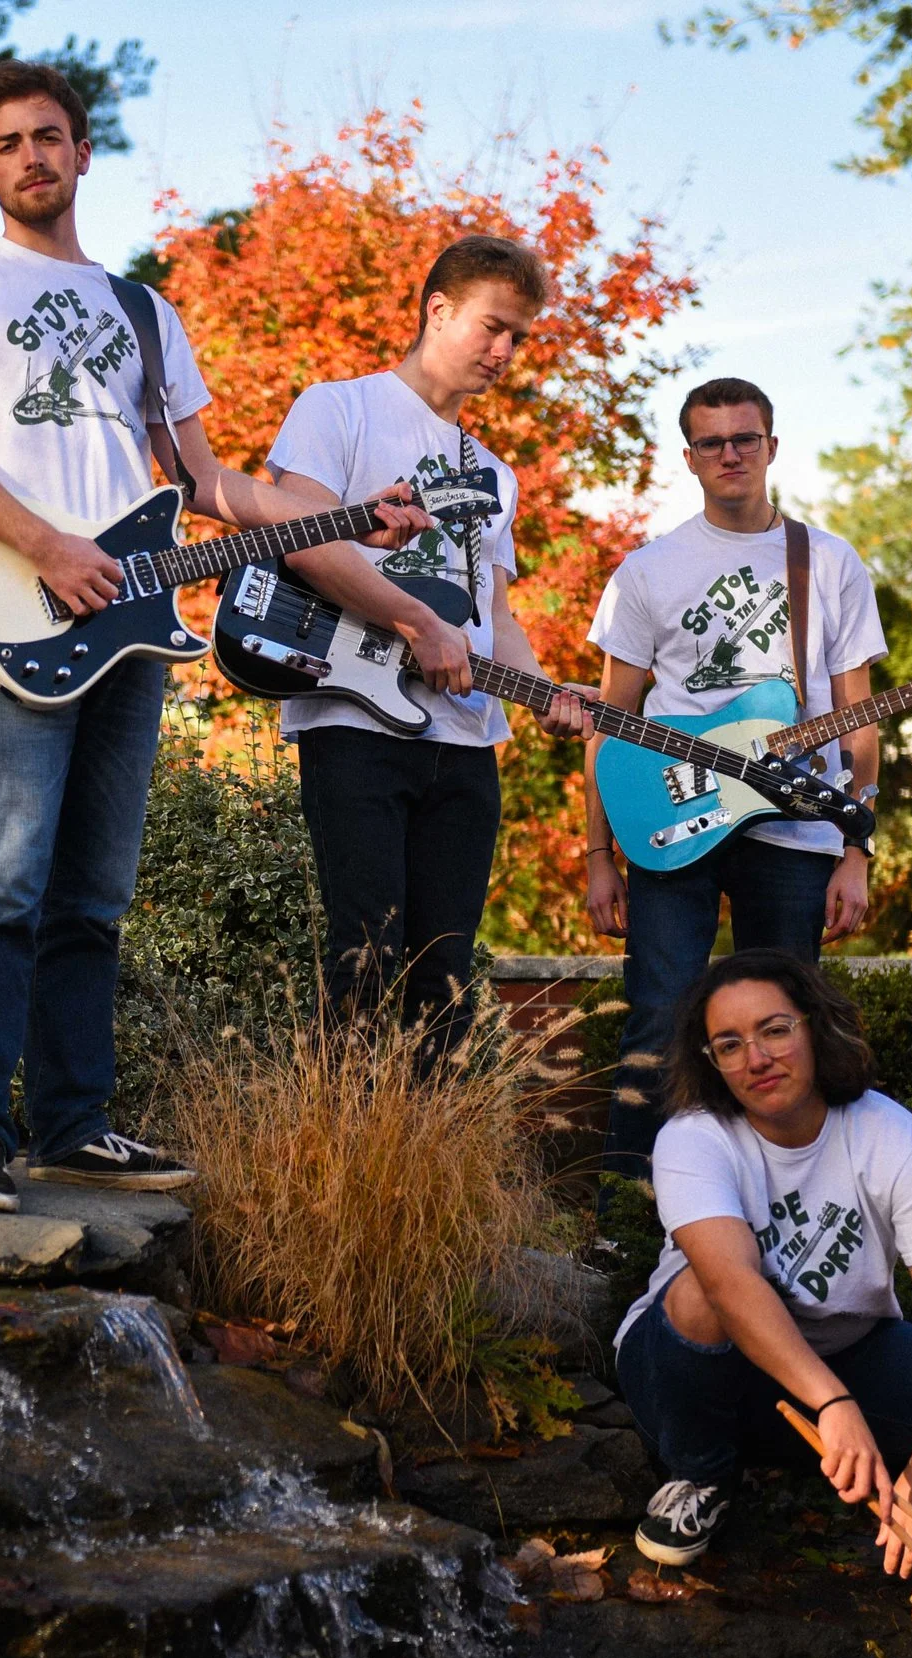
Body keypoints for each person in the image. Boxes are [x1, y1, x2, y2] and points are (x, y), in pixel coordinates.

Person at [0, 60, 430, 1210]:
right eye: (6, 143)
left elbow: (209, 484)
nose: (31, 157)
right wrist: (44, 545)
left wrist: (351, 519)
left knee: (92, 896)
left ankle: (72, 1124)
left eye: (49, 137)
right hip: (22, 607)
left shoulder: (143, 310)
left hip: (131, 631)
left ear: (83, 153)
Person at [612, 950, 912, 1570]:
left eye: (775, 1030)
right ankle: (700, 1477)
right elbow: (730, 1285)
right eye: (728, 1044)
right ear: (712, 1062)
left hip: (850, 1353)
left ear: (813, 1025)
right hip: (696, 1373)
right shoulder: (694, 1138)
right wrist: (834, 1404)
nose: (756, 1058)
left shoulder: (891, 1136)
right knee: (699, 1294)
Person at [265, 235, 590, 1059]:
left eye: (519, 335)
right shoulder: (338, 407)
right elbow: (300, 540)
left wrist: (544, 687)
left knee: (445, 977)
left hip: (466, 737)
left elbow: (496, 615)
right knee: (365, 955)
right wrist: (416, 621)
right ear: (437, 310)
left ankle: (421, 1173)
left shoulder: (496, 472)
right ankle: (340, 1162)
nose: (505, 351)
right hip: (356, 723)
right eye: (493, 327)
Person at [583, 376, 888, 1189]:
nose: (730, 454)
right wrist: (597, 853)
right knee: (659, 1010)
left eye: (745, 439)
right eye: (712, 442)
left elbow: (859, 715)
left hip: (795, 824)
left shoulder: (827, 562)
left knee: (785, 1029)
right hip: (673, 815)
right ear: (688, 458)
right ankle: (631, 1210)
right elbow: (610, 724)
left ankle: (779, 1203)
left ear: (771, 447)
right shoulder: (647, 571)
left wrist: (858, 845)